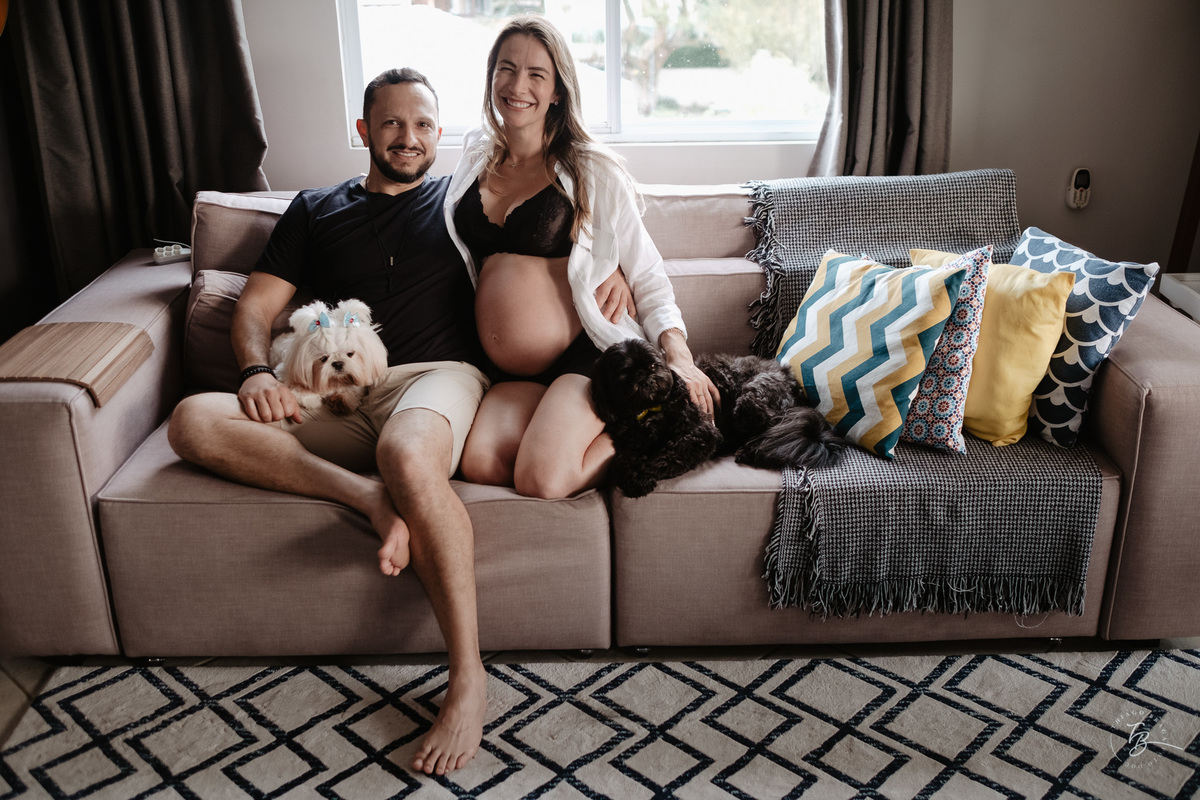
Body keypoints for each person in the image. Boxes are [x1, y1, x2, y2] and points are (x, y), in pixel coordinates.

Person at [168, 68, 488, 776]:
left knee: (409, 457)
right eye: (393, 123)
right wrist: (255, 374)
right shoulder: (315, 209)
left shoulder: (466, 199)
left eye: (424, 124)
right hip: (329, 397)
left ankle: (467, 677)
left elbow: (564, 218)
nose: (409, 138)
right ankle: (366, 497)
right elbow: (253, 310)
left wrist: (611, 264)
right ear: (364, 130)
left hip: (433, 379)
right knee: (193, 419)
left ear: (441, 133)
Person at [445, 15, 720, 499]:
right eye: (506, 69)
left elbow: (649, 273)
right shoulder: (473, 154)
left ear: (557, 92)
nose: (517, 85)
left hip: (587, 356)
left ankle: (653, 427)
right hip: (514, 371)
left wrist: (679, 356)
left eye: (536, 74)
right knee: (481, 462)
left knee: (542, 479)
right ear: (491, 76)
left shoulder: (591, 169)